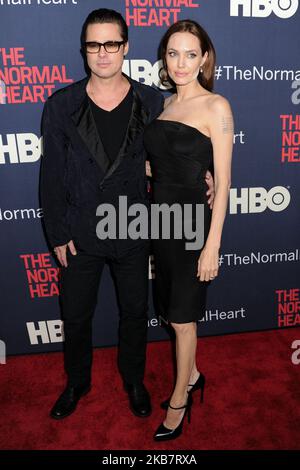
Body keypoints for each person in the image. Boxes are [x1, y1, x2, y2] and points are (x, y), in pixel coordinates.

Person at [40, 9, 215, 421]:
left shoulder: (153, 101)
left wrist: (200, 176)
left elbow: (176, 148)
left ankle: (134, 380)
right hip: (80, 231)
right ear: (83, 50)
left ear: (126, 47)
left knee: (135, 313)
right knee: (77, 315)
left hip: (135, 228)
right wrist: (57, 232)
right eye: (94, 45)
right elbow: (50, 175)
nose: (103, 54)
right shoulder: (61, 105)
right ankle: (77, 381)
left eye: (112, 44)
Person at [144, 19, 233, 441]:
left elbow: (225, 181)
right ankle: (193, 373)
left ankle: (179, 399)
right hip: (161, 225)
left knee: (182, 320)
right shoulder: (164, 106)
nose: (181, 62)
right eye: (173, 53)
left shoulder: (217, 106)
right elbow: (159, 165)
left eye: (190, 54)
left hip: (193, 229)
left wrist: (212, 244)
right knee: (169, 310)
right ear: (165, 57)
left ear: (205, 59)